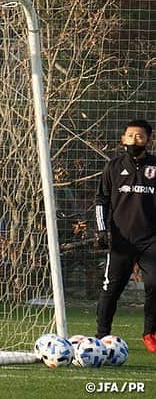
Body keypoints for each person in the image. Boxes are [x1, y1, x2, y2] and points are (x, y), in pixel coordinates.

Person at [94, 118, 156, 351]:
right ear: (123, 139)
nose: (134, 140)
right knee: (111, 288)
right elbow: (102, 200)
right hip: (121, 240)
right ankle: (102, 335)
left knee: (154, 284)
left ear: (149, 139)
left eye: (139, 136)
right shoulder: (113, 166)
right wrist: (101, 230)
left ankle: (150, 333)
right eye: (130, 136)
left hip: (151, 240)